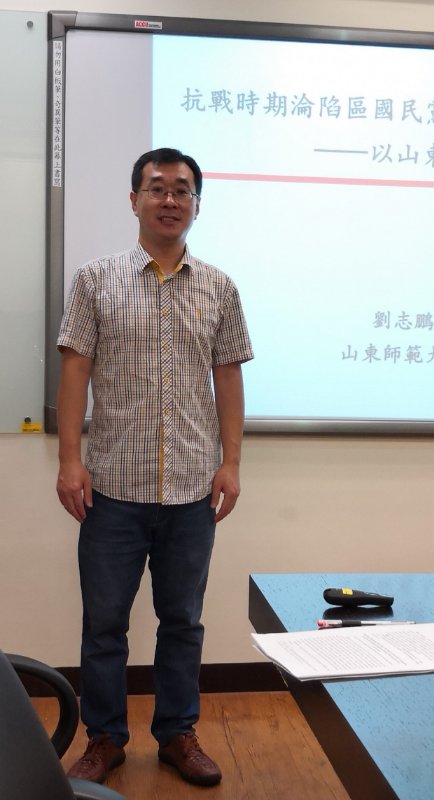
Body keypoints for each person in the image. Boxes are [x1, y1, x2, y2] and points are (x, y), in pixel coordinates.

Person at [55, 147, 253, 787]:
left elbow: (228, 379)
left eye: (182, 190)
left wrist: (231, 463)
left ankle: (177, 735)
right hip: (112, 489)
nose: (170, 199)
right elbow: (75, 370)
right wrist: (68, 460)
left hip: (192, 490)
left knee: (183, 623)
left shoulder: (219, 286)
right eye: (157, 187)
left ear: (197, 204)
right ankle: (104, 739)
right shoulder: (96, 280)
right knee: (104, 626)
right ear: (134, 199)